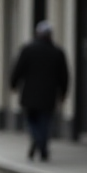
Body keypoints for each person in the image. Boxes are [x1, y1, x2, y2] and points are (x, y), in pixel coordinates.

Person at [10, 21, 70, 162]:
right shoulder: (57, 52)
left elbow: (18, 69)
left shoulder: (28, 50)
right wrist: (63, 92)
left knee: (31, 121)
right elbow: (64, 75)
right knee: (45, 122)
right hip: (49, 95)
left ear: (37, 34)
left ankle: (37, 140)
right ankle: (42, 145)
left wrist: (13, 84)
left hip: (29, 94)